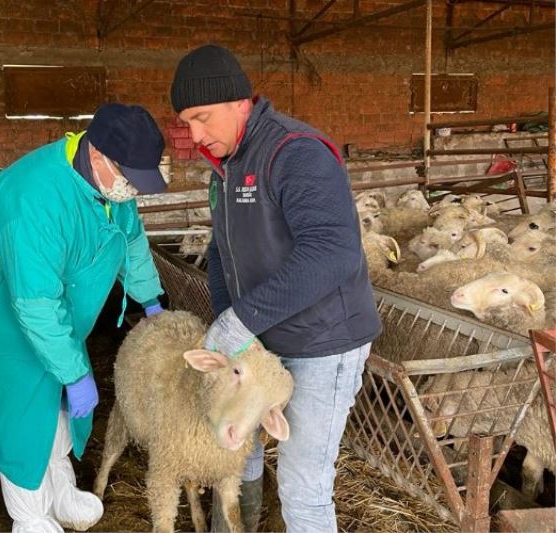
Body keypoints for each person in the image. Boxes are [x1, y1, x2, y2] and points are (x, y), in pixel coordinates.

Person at [0, 102, 167, 533]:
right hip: (2, 319)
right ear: (97, 155)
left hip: (59, 319)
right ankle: (30, 516)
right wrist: (75, 372)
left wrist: (151, 301)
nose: (134, 191)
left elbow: (131, 242)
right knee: (21, 415)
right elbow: (35, 303)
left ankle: (62, 490)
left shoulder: (112, 188)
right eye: (130, 179)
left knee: (55, 403)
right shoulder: (33, 198)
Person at [170, 45, 382, 533]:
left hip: (322, 341)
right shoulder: (223, 168)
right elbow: (222, 250)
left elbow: (333, 253)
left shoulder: (295, 152)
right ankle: (239, 524)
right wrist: (232, 328)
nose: (195, 135)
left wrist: (239, 321)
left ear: (239, 102)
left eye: (201, 118)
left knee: (302, 483)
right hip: (266, 338)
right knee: (239, 444)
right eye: (186, 122)